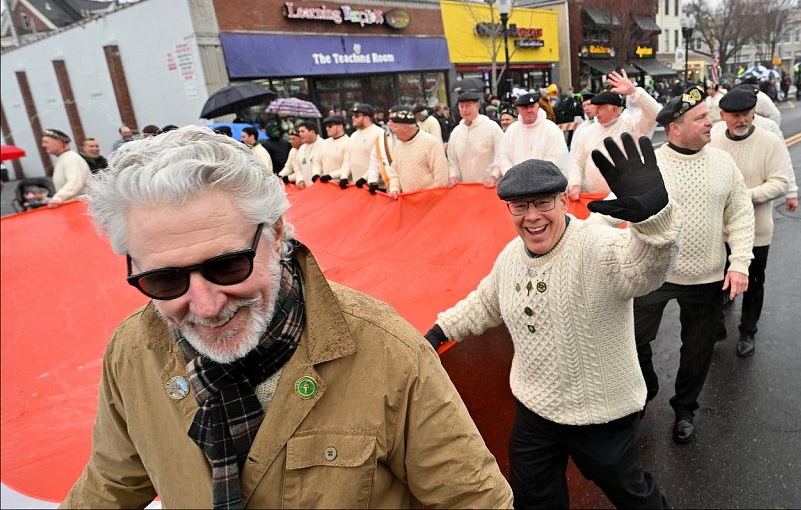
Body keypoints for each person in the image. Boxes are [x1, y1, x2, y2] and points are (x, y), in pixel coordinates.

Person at [62, 126, 513, 509]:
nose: (205, 305)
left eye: (227, 267)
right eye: (164, 280)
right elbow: (111, 484)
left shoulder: (387, 351)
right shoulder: (131, 354)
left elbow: (473, 499)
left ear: (276, 235)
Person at [425, 139, 681, 509]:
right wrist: (436, 334)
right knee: (533, 499)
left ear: (563, 201)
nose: (532, 216)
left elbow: (645, 272)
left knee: (632, 495)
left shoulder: (597, 245)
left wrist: (654, 224)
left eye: (543, 202)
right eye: (520, 206)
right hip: (536, 411)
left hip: (601, 414)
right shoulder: (511, 255)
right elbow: (484, 303)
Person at [626, 86, 755, 444]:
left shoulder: (722, 163)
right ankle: (645, 387)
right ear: (674, 127)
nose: (710, 121)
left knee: (698, 348)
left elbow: (741, 213)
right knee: (632, 339)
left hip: (707, 275)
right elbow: (616, 209)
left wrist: (740, 263)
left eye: (707, 115)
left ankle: (685, 408)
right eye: (700, 117)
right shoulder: (649, 163)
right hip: (654, 274)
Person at [708, 87, 790, 357]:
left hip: (757, 230)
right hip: (720, 231)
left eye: (746, 114)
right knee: (715, 281)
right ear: (723, 116)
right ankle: (717, 327)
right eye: (735, 115)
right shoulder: (715, 140)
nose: (741, 120)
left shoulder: (770, 142)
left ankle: (747, 332)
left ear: (754, 112)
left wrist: (745, 196)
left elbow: (780, 182)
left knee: (753, 282)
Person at [568, 70, 661, 199]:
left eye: (600, 108)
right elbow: (577, 161)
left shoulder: (631, 126)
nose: (595, 112)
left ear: (614, 109)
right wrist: (574, 185)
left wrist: (634, 92)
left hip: (625, 197)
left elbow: (656, 113)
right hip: (592, 197)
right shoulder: (587, 131)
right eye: (595, 107)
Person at [494, 91, 570, 180]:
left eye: (532, 107)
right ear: (518, 110)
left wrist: (536, 179)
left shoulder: (551, 129)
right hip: (517, 184)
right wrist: (512, 176)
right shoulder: (512, 130)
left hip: (546, 184)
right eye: (525, 107)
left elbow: (557, 158)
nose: (529, 110)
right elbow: (503, 156)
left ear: (538, 107)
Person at [385, 106, 448, 198]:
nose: (392, 131)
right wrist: (394, 188)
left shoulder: (431, 143)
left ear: (405, 128)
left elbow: (441, 177)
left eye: (395, 127)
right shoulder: (398, 146)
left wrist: (434, 198)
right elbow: (394, 171)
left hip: (430, 201)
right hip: (408, 201)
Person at [446, 91, 504, 188]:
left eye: (468, 106)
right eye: (461, 106)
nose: (464, 110)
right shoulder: (456, 132)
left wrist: (494, 176)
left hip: (490, 187)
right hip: (465, 189)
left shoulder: (492, 127)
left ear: (477, 106)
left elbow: (503, 154)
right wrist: (453, 176)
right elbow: (452, 160)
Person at [41, 128, 91, 208]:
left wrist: (57, 199)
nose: (43, 145)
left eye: (46, 142)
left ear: (60, 142)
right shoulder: (64, 158)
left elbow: (75, 183)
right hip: (76, 207)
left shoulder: (71, 158)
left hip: (82, 208)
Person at [346, 104, 389, 192]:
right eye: (353, 116)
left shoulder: (379, 133)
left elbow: (380, 161)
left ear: (367, 118)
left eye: (357, 116)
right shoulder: (353, 135)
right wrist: (344, 176)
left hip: (376, 187)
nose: (353, 118)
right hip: (357, 185)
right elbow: (348, 159)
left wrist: (365, 178)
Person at [312, 115, 350, 186]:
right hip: (326, 185)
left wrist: (330, 176)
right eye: (326, 126)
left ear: (340, 126)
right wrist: (316, 173)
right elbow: (317, 162)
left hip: (342, 185)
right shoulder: (324, 143)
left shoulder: (348, 142)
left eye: (330, 126)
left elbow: (348, 166)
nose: (327, 129)